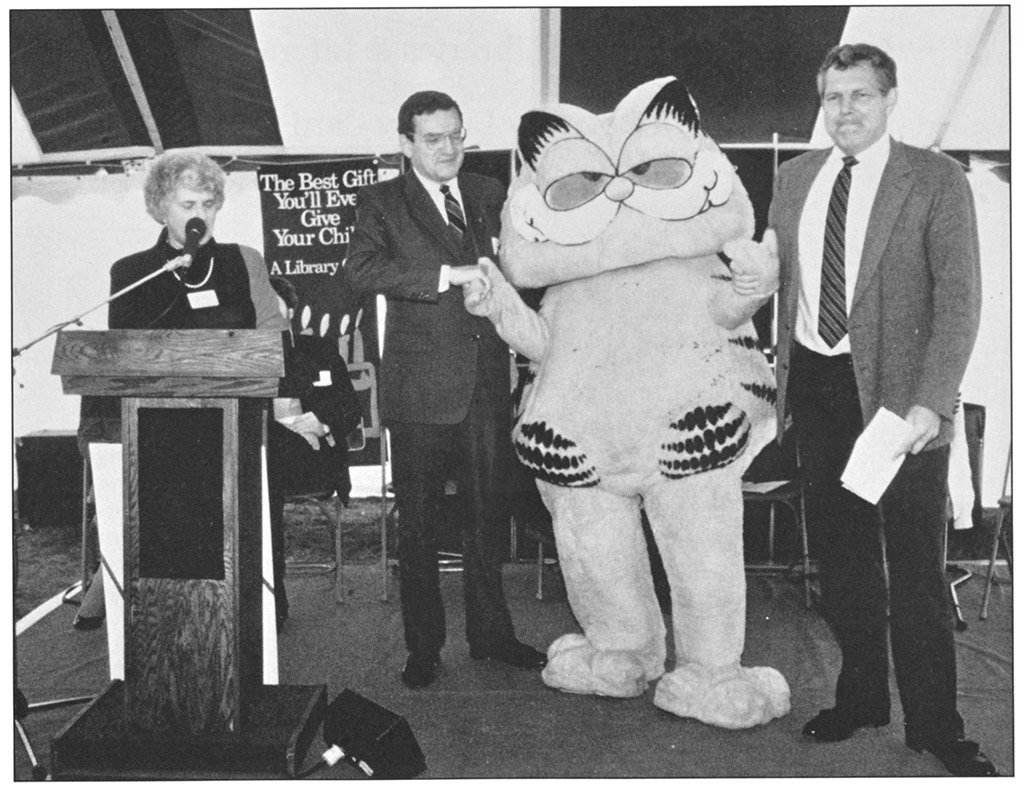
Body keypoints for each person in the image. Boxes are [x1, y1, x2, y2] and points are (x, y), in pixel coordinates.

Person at [728, 44, 993, 775]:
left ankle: (938, 726)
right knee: (843, 566)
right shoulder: (794, 178)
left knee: (917, 573)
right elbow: (772, 281)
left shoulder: (936, 180)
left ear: (890, 99)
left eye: (860, 96)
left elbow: (960, 302)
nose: (845, 111)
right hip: (818, 390)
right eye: (833, 97)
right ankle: (862, 698)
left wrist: (931, 404)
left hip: (903, 408)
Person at [345, 90, 546, 688]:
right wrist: (443, 275)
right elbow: (359, 270)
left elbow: (523, 266)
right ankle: (424, 647)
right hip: (418, 392)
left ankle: (493, 637)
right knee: (420, 526)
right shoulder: (381, 201)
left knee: (488, 519)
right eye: (433, 138)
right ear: (406, 144)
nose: (449, 148)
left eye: (457, 135)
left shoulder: (489, 193)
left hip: (485, 385)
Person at [73, 150, 287, 627]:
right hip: (160, 434)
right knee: (168, 549)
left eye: (209, 204)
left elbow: (274, 338)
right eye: (189, 203)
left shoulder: (243, 261)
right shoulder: (132, 272)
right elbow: (126, 357)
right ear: (160, 206)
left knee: (233, 546)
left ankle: (248, 618)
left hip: (236, 426)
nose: (201, 215)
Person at [266, 275, 361, 624]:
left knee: (261, 470)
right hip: (267, 460)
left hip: (316, 458)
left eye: (273, 307)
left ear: (290, 311)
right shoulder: (245, 357)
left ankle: (271, 605)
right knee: (262, 467)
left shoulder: (320, 350)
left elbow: (350, 409)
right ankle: (271, 603)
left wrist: (318, 422)